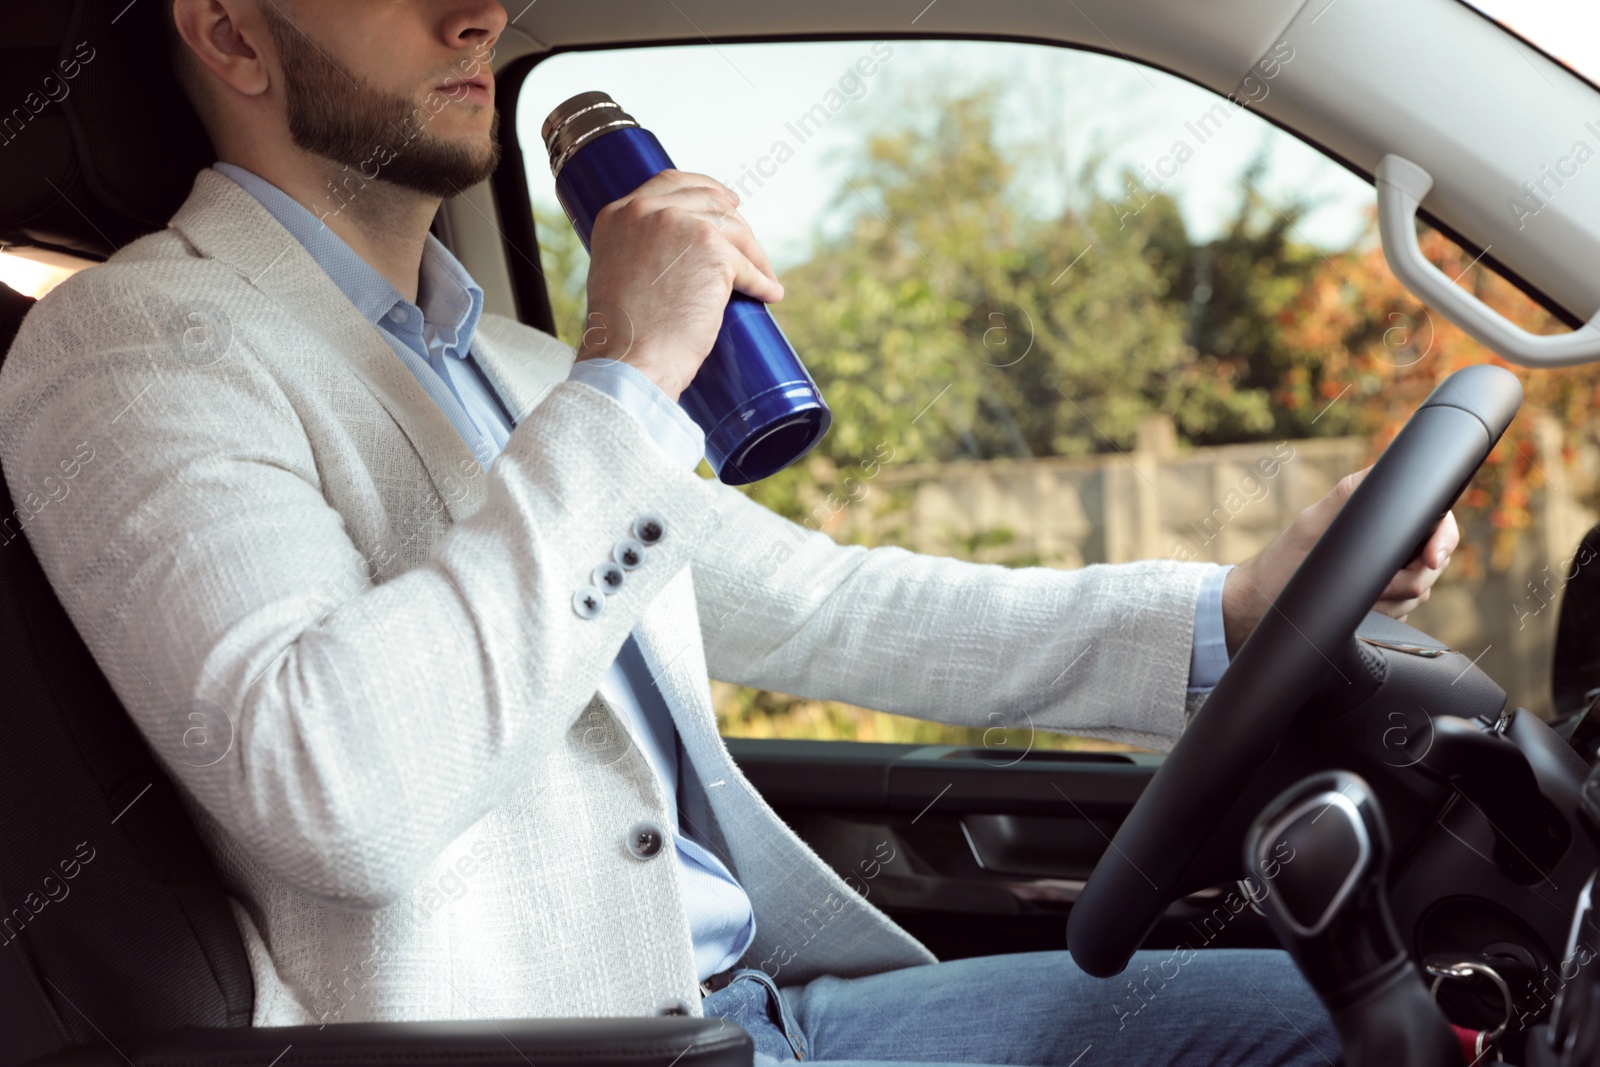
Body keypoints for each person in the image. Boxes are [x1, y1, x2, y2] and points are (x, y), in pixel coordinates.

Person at [0, 2, 1456, 1064]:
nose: (481, 12)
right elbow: (335, 784)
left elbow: (823, 608)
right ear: (231, 36)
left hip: (756, 1016)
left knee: (1368, 1010)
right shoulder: (138, 346)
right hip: (562, 1054)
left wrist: (1233, 606)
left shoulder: (504, 362)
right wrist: (629, 382)